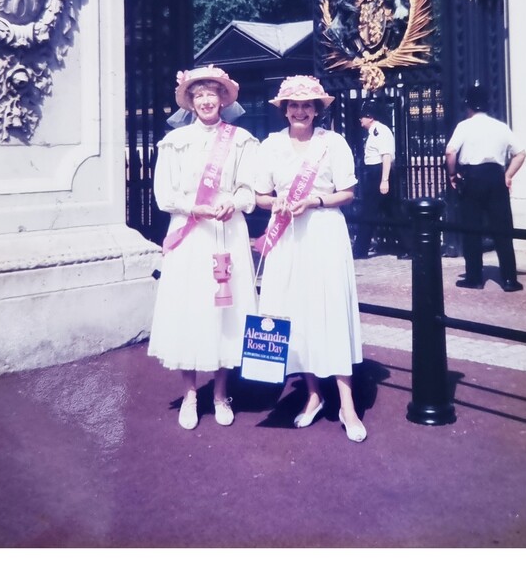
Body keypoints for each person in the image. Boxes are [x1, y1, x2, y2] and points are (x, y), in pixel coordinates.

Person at [254, 75, 367, 443]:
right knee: (295, 310)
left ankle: (347, 404)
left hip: (322, 232)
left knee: (328, 309)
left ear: (317, 110)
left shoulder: (332, 143)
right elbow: (260, 196)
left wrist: (315, 200)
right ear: (284, 110)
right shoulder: (270, 146)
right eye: (293, 105)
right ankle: (314, 394)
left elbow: (347, 192)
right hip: (286, 235)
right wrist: (279, 203)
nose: (300, 111)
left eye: (307, 105)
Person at [147, 65, 258, 429]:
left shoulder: (240, 139)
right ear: (191, 101)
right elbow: (164, 194)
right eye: (199, 94)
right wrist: (194, 207)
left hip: (227, 231)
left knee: (226, 310)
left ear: (223, 98)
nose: (207, 100)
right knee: (190, 308)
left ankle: (221, 391)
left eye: (213, 93)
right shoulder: (174, 142)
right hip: (191, 232)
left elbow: (249, 188)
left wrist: (235, 201)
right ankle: (191, 393)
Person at [445, 84, 526, 292]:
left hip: (472, 177)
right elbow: (520, 153)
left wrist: (453, 174)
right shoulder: (500, 127)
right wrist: (507, 175)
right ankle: (509, 279)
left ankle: (474, 277)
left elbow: (450, 152)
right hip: (495, 177)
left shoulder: (464, 126)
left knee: (472, 228)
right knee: (502, 229)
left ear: (468, 106)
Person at [354, 99, 395, 258]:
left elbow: (386, 156)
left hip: (378, 172)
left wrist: (384, 180)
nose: (360, 119)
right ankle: (410, 246)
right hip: (374, 172)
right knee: (393, 210)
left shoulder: (380, 131)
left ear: (370, 117)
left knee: (368, 211)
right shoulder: (374, 132)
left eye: (363, 116)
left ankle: (360, 250)